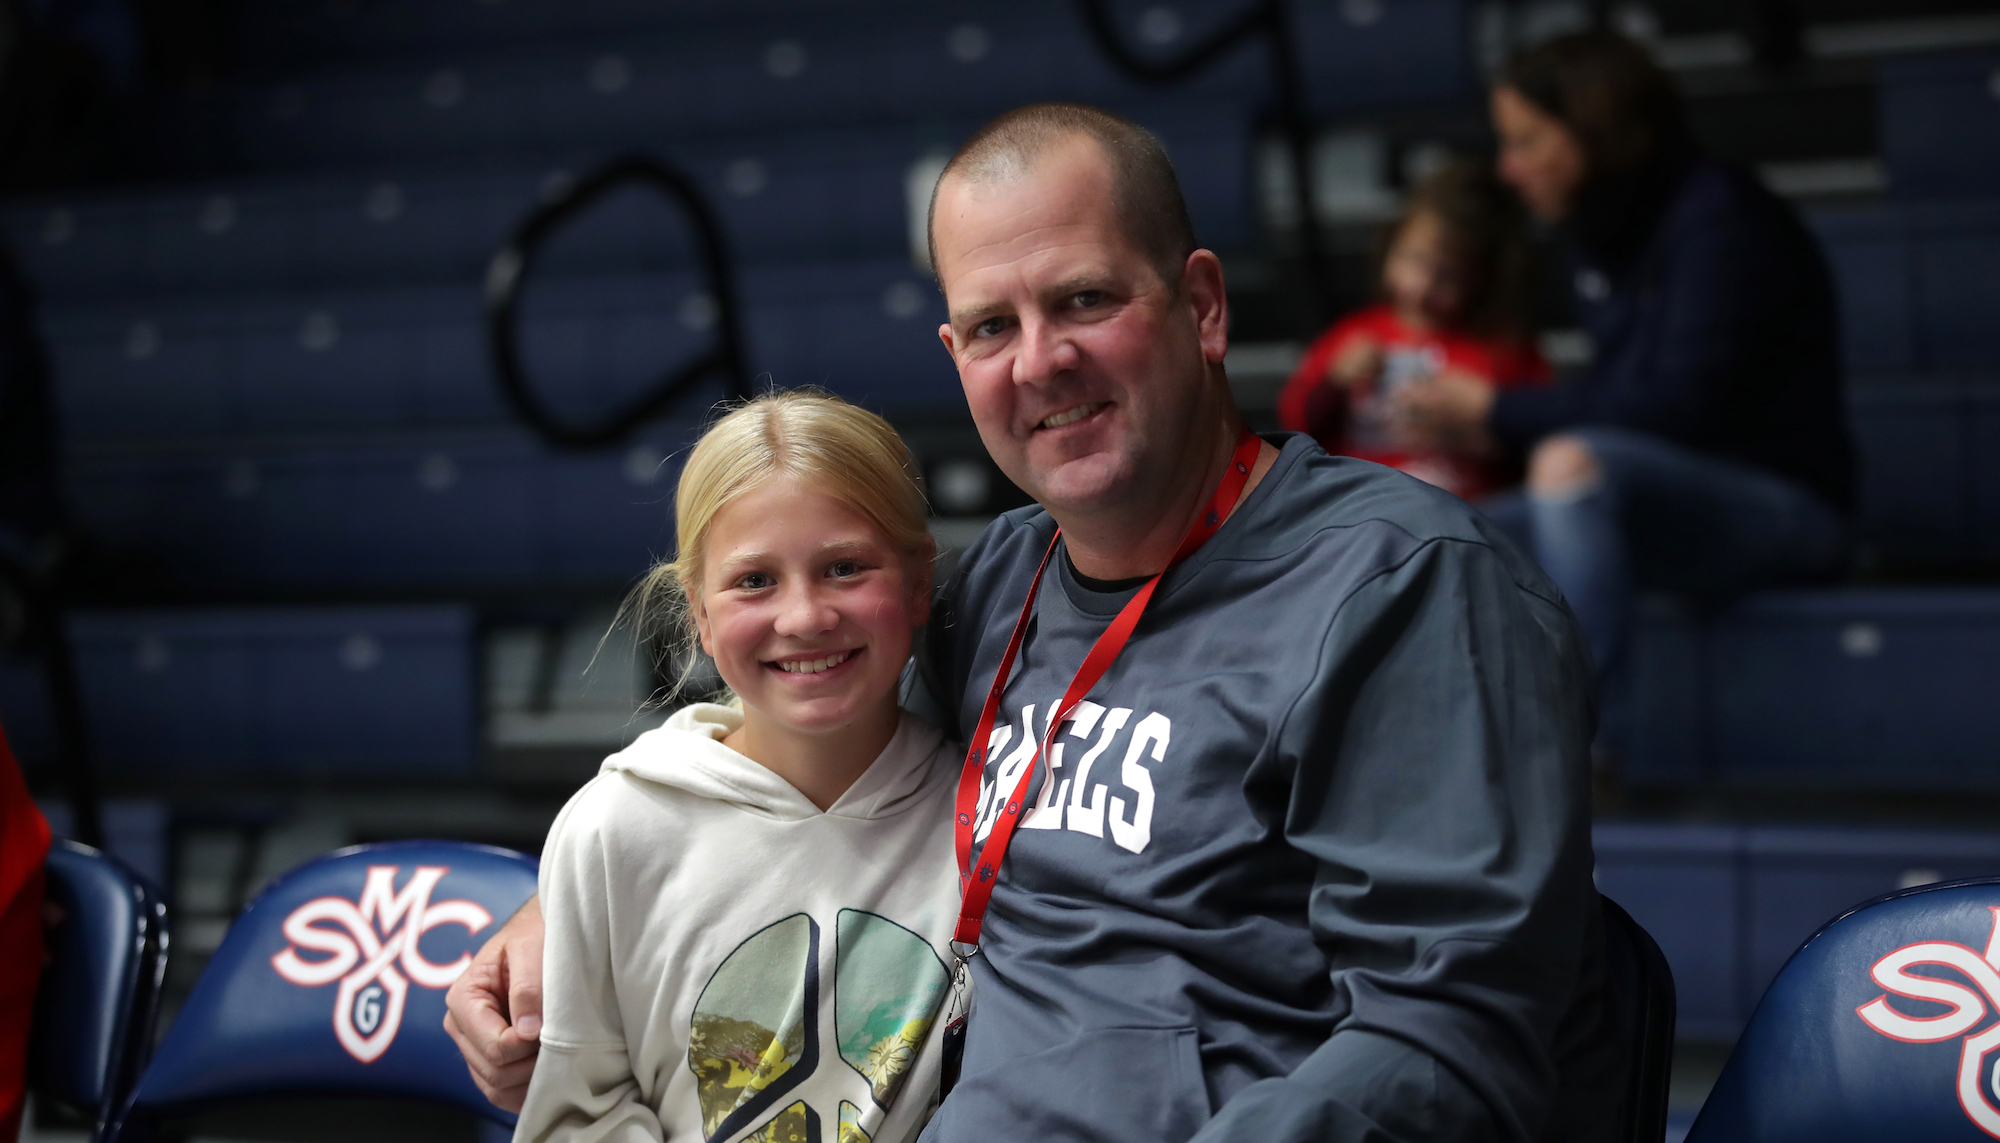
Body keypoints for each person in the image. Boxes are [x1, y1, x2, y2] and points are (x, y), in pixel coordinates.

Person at [453, 103, 1622, 1142]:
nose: (1042, 362)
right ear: (954, 357)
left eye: (1083, 300)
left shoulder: (1401, 588)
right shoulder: (996, 585)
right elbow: (799, 717)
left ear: (1202, 307)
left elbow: (1447, 1043)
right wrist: (567, 902)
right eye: (991, 327)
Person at [511, 393, 964, 1143]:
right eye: (755, 580)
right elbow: (575, 1116)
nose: (804, 616)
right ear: (699, 614)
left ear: (918, 580)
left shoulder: (993, 811)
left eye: (845, 567)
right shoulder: (613, 828)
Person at [1392, 30, 1854, 688]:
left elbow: (1675, 407)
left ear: (1591, 133)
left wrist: (1495, 406)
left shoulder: (1722, 222)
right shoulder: (1598, 229)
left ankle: (1587, 752)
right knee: (1426, 529)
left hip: (1786, 510)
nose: (1508, 169)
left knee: (1572, 466)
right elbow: (1622, 396)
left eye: (1526, 141)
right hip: (1654, 498)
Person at [1277, 160, 1547, 502]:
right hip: (1361, 510)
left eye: (1447, 276)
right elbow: (1295, 420)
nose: (1421, 287)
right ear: (1391, 243)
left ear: (1482, 278)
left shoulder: (1502, 349)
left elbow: (1540, 440)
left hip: (1471, 516)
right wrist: (1335, 382)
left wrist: (1482, 421)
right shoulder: (1356, 335)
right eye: (1413, 259)